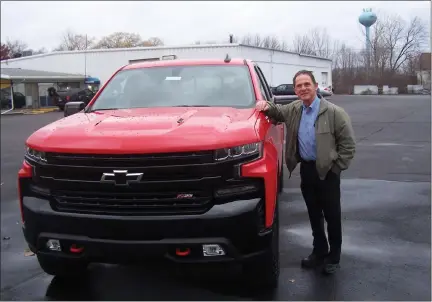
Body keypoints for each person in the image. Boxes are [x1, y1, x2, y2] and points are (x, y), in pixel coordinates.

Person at [256, 70, 356, 275]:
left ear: (315, 86)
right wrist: (265, 106)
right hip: (307, 170)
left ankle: (334, 257)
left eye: (307, 84)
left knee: (332, 216)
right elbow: (277, 112)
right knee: (313, 214)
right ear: (295, 90)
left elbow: (348, 147)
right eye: (299, 86)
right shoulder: (294, 109)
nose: (303, 88)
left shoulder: (335, 113)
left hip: (328, 172)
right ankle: (319, 251)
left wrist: (335, 168)